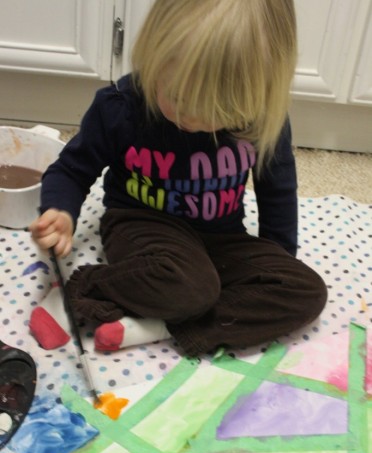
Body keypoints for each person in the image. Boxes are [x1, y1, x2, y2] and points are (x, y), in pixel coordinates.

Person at [29, 0, 327, 356]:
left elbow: (277, 193)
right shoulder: (121, 106)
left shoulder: (262, 117)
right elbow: (71, 169)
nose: (193, 120)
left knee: (307, 289)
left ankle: (158, 324)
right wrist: (61, 211)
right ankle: (82, 290)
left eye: (220, 113)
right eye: (178, 97)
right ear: (155, 53)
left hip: (222, 238)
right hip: (142, 225)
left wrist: (271, 268)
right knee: (190, 285)